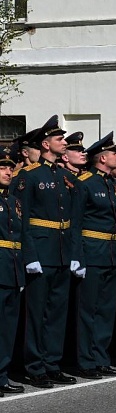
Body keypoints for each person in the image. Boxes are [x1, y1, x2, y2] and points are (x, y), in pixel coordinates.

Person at [16, 115, 76, 388]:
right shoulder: (29, 176)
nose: (64, 142)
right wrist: (30, 256)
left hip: (61, 251)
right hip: (41, 251)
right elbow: (23, 218)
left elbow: (72, 219)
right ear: (45, 144)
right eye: (59, 139)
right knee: (37, 313)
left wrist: (73, 254)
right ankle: (34, 366)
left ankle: (52, 363)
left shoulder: (64, 176)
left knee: (56, 312)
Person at [70, 133, 116, 379]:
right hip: (92, 252)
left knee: (106, 310)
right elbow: (76, 222)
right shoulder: (85, 183)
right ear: (103, 158)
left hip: (111, 254)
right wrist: (78, 257)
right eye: (114, 153)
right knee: (88, 311)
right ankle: (85, 361)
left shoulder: (112, 184)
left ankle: (101, 357)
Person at [0, 146, 24, 396]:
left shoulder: (13, 200)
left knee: (7, 328)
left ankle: (2, 375)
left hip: (12, 268)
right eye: (3, 167)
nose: (9, 171)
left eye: (10, 167)